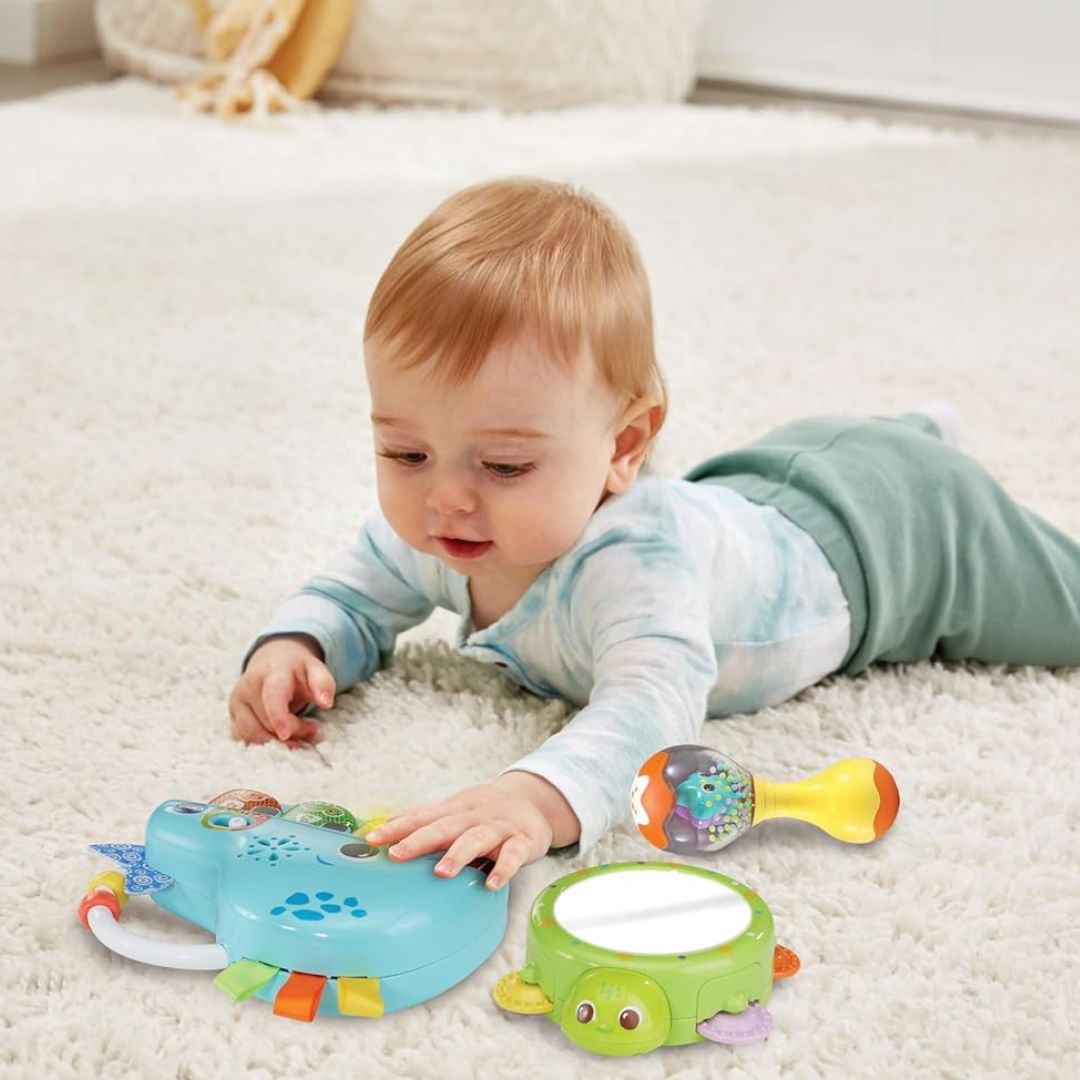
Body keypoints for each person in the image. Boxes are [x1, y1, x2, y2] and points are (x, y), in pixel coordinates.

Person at [228, 176, 1080, 891]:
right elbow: (353, 591)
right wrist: (299, 644)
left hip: (892, 541)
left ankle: (920, 443)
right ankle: (909, 428)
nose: (446, 499)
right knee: (813, 466)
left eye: (505, 466)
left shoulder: (638, 568)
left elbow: (654, 707)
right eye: (406, 453)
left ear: (623, 446)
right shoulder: (441, 527)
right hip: (754, 489)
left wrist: (534, 796)